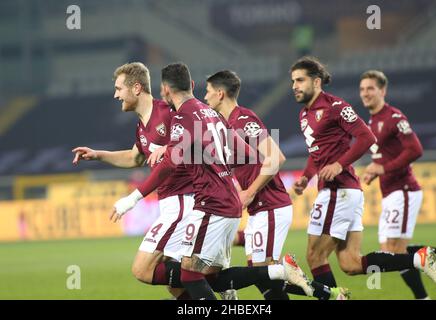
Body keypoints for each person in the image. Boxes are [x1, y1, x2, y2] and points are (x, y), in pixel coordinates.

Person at [110, 62, 316, 300]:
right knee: (208, 278)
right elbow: (248, 153)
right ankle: (278, 273)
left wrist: (133, 198)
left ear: (165, 89)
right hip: (227, 203)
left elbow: (168, 165)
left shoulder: (182, 116)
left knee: (189, 275)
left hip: (211, 203)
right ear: (193, 85)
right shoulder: (211, 115)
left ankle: (280, 271)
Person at [290, 56, 436, 292]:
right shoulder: (304, 115)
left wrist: (340, 164)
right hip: (344, 192)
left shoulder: (335, 106)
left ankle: (334, 298)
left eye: (300, 80)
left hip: (338, 191)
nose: (295, 86)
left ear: (317, 82)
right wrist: (306, 176)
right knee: (351, 263)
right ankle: (418, 259)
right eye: (293, 81)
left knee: (315, 256)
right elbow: (316, 152)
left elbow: (366, 137)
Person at [204, 69, 349, 300]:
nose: (205, 97)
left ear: (220, 93)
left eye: (208, 91)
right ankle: (329, 294)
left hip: (270, 206)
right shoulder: (225, 125)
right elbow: (238, 168)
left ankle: (327, 294)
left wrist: (250, 192)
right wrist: (239, 189)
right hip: (259, 210)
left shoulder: (244, 119)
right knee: (263, 279)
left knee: (264, 275)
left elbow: (276, 157)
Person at [71, 62, 194, 299]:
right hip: (171, 203)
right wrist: (98, 155)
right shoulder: (142, 126)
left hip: (183, 201)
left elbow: (192, 141)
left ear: (136, 88)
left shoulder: (167, 113)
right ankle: (217, 280)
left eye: (119, 88)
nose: (116, 95)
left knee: (142, 269)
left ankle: (221, 279)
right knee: (177, 285)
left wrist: (133, 198)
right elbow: (135, 157)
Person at [360, 69, 436, 299]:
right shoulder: (373, 120)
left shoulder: (394, 117)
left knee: (393, 251)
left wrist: (383, 168)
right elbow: (387, 156)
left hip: (404, 190)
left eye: (370, 88)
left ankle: (423, 296)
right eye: (362, 89)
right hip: (390, 191)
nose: (365, 93)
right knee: (392, 252)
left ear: (383, 90)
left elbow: (415, 149)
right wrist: (375, 172)